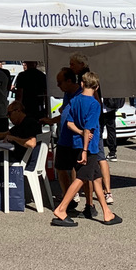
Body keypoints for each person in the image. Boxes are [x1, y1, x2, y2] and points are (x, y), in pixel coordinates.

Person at [51, 72, 119, 226]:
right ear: (96, 87)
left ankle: (106, 212)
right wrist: (85, 149)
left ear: (82, 84)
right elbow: (89, 128)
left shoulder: (75, 100)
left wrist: (80, 133)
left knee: (96, 177)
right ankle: (61, 209)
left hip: (76, 143)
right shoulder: (94, 104)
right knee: (82, 177)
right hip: (89, 147)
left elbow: (69, 123)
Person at [50, 68, 81, 209]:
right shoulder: (67, 94)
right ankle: (67, 195)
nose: (58, 86)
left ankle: (79, 198)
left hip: (76, 138)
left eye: (59, 82)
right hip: (63, 137)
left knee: (79, 170)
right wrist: (50, 121)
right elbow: (64, 112)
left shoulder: (81, 94)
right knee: (60, 167)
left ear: (69, 81)